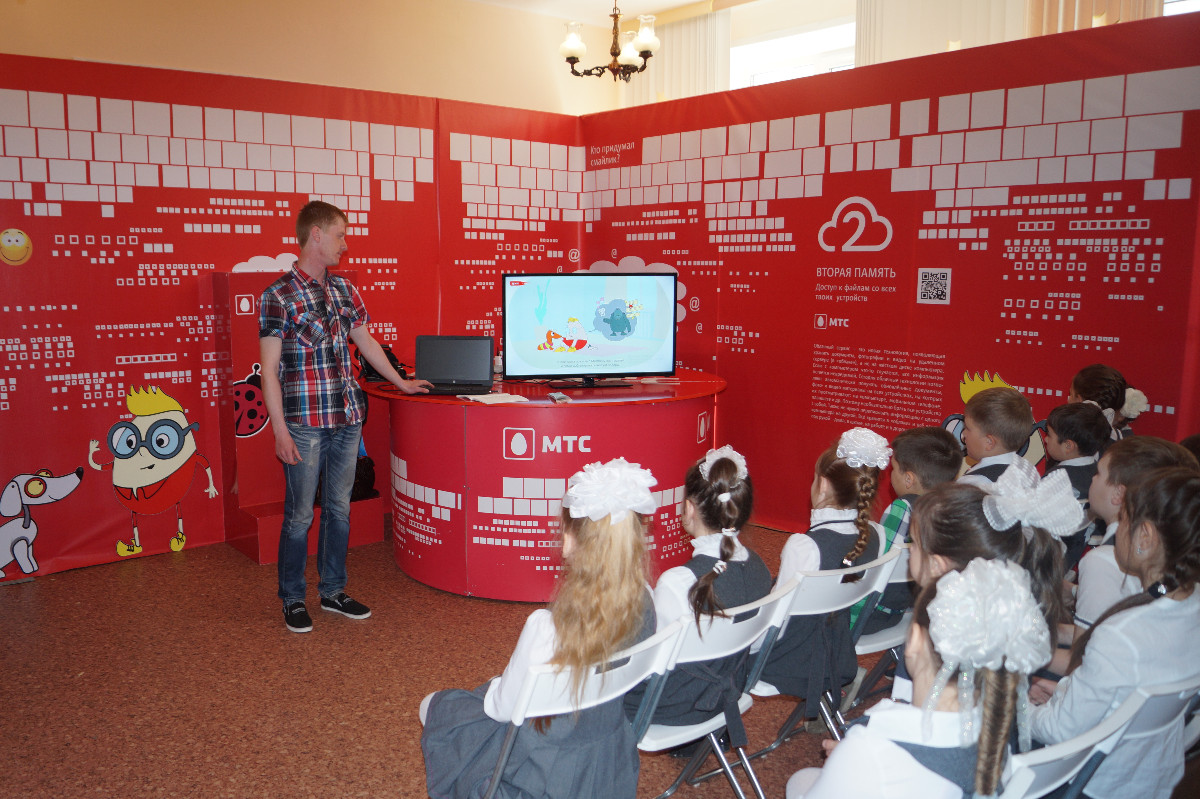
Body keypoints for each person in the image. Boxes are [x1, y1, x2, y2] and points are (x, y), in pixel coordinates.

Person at [420, 457, 658, 799]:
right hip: (608, 756)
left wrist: (497, 685)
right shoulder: (647, 602)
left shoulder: (547, 627)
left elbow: (501, 708)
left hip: (541, 770)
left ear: (569, 541)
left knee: (436, 706)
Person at [259, 200, 430, 633]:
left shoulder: (345, 290)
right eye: (340, 235)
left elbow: (366, 341)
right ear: (316, 235)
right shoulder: (278, 295)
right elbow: (269, 370)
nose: (345, 244)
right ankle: (292, 598)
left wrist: (402, 382)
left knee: (339, 509)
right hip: (303, 424)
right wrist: (280, 430)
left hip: (347, 418)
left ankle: (333, 591)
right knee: (300, 515)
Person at [786, 559, 1052, 799]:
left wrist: (851, 762)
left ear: (912, 641)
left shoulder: (869, 753)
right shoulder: (998, 730)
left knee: (799, 781)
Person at [1031, 467, 1200, 799]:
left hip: (1093, 783)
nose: (1118, 529)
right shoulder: (1189, 602)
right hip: (1154, 775)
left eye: (1123, 519)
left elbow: (1059, 731)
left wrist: (1021, 707)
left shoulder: (1121, 635)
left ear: (1145, 537)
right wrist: (1066, 692)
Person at [629, 445, 772, 748]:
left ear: (690, 508)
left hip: (673, 705)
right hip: (730, 691)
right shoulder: (761, 568)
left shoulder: (678, 583)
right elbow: (758, 645)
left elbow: (651, 666)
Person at [1040, 437, 1199, 677]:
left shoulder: (1101, 561)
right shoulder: (1169, 550)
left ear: (1118, 494)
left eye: (1098, 473)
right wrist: (1071, 597)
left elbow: (1083, 662)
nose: (1092, 478)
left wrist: (1021, 650)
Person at [754, 428, 888, 711]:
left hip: (789, 661)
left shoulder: (805, 546)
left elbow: (777, 622)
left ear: (823, 485)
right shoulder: (876, 534)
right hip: (838, 653)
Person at [856, 426, 963, 635]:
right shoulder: (951, 508)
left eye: (894, 469)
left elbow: (880, 566)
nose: (890, 475)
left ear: (908, 479)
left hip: (875, 613)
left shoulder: (902, 508)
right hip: (913, 609)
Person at [1045, 401, 1113, 570]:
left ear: (1068, 446)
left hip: (1055, 560)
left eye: (1049, 435)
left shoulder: (1056, 479)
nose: (1045, 439)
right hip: (1086, 557)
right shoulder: (1100, 473)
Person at [958, 386, 1034, 488]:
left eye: (967, 428)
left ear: (989, 442)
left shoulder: (973, 484)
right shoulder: (1028, 472)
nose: (964, 434)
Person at [1068, 363, 1149, 441]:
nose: (1068, 400)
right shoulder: (1123, 443)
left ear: (1080, 402)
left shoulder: (1070, 439)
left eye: (1071, 394)